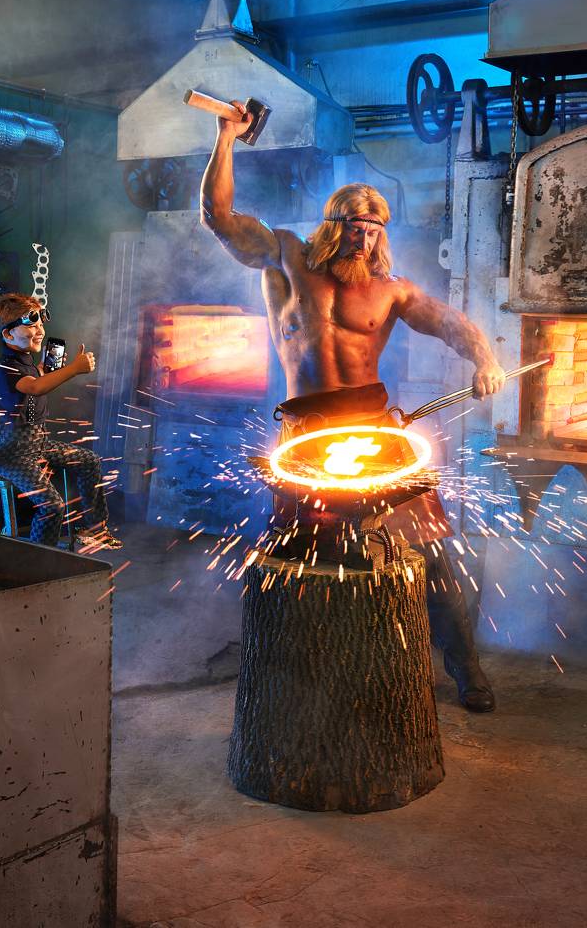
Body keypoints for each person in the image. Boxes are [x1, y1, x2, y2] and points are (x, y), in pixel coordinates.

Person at [201, 100, 505, 712]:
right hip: (306, 430)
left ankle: (466, 667)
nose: (363, 238)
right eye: (353, 226)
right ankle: (291, 671)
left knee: (431, 551)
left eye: (373, 230)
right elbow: (219, 217)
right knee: (298, 551)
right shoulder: (287, 257)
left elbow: (450, 323)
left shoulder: (391, 290)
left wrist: (486, 359)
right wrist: (227, 137)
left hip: (374, 428)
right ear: (332, 223)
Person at [0, 293, 122, 552]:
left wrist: (47, 368)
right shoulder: (7, 368)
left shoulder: (25, 363)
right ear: (8, 335)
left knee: (89, 460)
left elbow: (36, 378)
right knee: (53, 506)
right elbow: (35, 387)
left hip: (38, 445)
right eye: (31, 325)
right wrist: (73, 369)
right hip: (13, 454)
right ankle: (40, 559)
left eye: (41, 324)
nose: (40, 331)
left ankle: (94, 530)